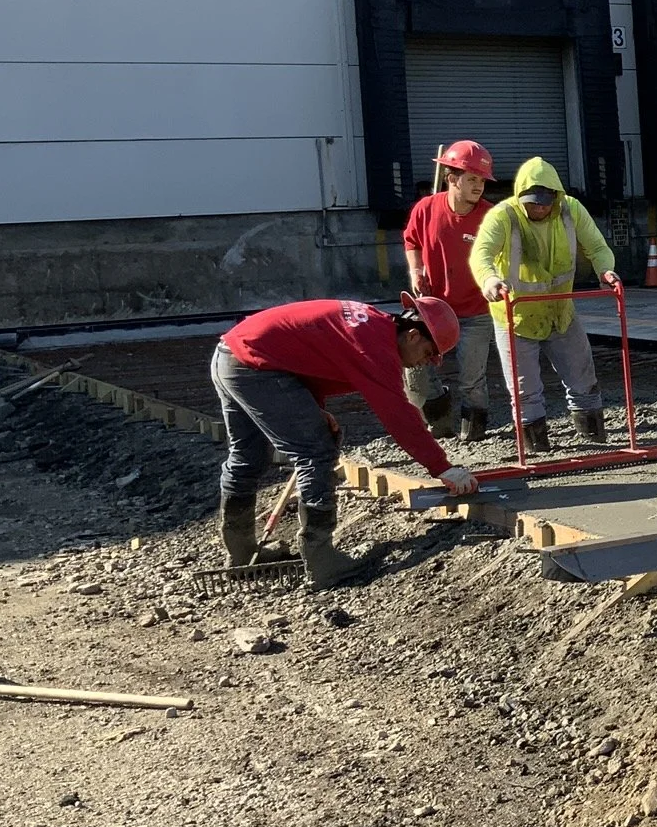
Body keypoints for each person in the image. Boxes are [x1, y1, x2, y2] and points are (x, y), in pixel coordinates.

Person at [213, 294, 479, 586]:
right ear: (413, 335)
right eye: (429, 354)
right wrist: (441, 467)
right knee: (316, 453)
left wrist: (316, 409)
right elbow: (398, 415)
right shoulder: (376, 347)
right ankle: (321, 558)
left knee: (247, 456)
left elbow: (307, 359)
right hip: (256, 367)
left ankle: (240, 553)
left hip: (231, 355)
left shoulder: (371, 326)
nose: (424, 364)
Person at [468, 157, 617, 453]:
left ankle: (594, 439)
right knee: (525, 391)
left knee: (583, 377)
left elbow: (597, 246)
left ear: (556, 197)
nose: (538, 207)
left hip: (560, 312)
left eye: (544, 202)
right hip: (516, 316)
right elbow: (480, 255)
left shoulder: (571, 210)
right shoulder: (503, 216)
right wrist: (489, 281)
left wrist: (605, 270)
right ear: (520, 196)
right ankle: (536, 448)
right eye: (532, 202)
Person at [402, 139, 496, 442]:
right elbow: (412, 242)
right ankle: (437, 418)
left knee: (472, 375)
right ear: (451, 178)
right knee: (416, 368)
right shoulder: (425, 209)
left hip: (476, 310)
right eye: (472, 179)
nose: (478, 186)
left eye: (482, 180)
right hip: (432, 310)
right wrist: (416, 270)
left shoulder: (490, 218)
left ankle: (475, 429)